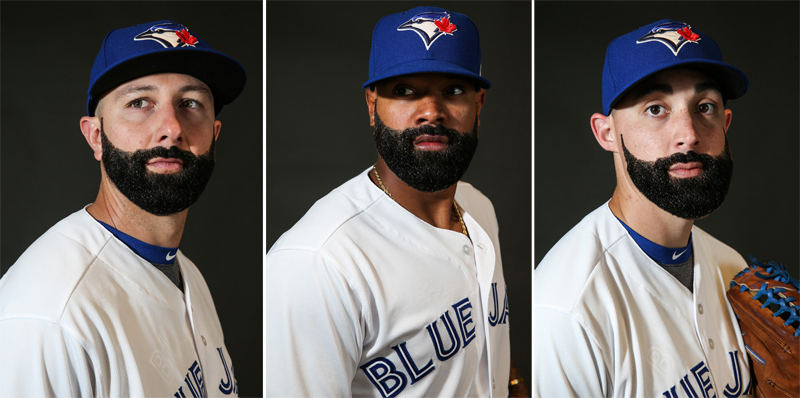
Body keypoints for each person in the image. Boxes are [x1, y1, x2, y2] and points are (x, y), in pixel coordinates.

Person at [266, 6, 526, 397]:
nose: (431, 113)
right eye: (405, 91)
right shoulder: (317, 261)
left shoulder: (479, 208)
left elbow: (486, 351)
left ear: (479, 105)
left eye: (452, 91)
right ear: (372, 105)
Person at [0, 20, 245, 397]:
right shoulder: (49, 316)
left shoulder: (185, 273)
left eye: (190, 103)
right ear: (96, 136)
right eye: (139, 103)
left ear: (213, 135)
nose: (171, 128)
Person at [535, 20, 754, 397]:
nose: (688, 133)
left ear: (726, 124)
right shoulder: (566, 308)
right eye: (656, 109)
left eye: (705, 107)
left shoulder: (734, 270)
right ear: (606, 133)